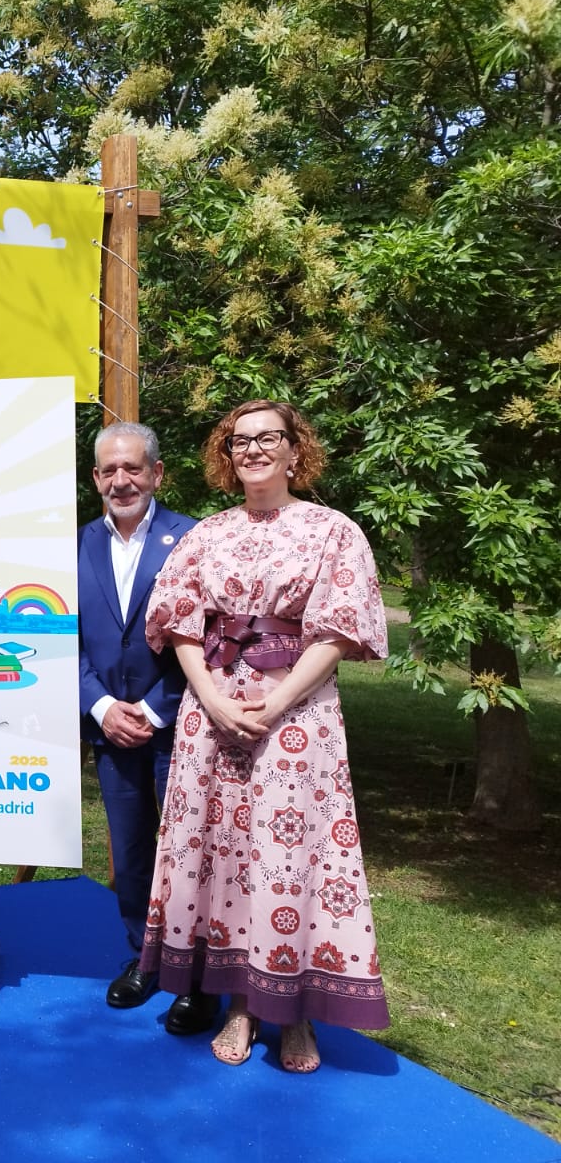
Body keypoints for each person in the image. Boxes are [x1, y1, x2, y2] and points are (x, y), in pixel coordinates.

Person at [142, 399, 389, 1073]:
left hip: (298, 717)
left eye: (267, 438)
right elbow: (180, 623)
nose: (251, 449)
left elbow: (337, 631)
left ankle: (293, 1012)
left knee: (290, 854)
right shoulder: (207, 534)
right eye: (238, 440)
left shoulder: (333, 531)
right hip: (213, 712)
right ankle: (241, 1006)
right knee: (224, 854)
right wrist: (212, 698)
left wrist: (275, 702)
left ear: (294, 449)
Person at [78, 422, 218, 1035]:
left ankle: (198, 980)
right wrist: (102, 707)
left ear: (156, 473)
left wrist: (156, 708)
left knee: (190, 852)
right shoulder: (74, 545)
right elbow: (63, 641)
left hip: (181, 724)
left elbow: (216, 638)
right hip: (110, 728)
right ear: (95, 479)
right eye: (109, 470)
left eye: (132, 468)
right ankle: (144, 958)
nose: (121, 480)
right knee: (131, 850)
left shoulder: (194, 539)